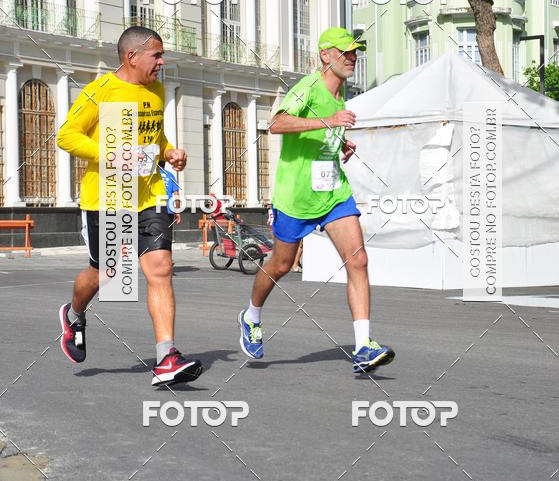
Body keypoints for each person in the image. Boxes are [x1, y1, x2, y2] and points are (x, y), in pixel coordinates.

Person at [238, 27, 395, 374]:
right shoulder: (308, 87)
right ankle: (252, 315)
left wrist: (340, 143)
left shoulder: (341, 94)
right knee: (280, 265)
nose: (352, 58)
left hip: (334, 193)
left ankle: (363, 346)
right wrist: (328, 121)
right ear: (326, 55)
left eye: (355, 53)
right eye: (345, 52)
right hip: (296, 196)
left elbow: (323, 133)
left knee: (358, 260)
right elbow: (276, 123)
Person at [56, 27, 202, 387]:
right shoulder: (100, 92)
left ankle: (167, 357)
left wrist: (170, 151)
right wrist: (111, 153)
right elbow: (66, 136)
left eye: (162, 55)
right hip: (107, 197)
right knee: (106, 274)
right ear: (131, 57)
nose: (162, 61)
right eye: (156, 55)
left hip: (150, 195)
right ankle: (74, 315)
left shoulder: (156, 89)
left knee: (161, 267)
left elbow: (155, 135)